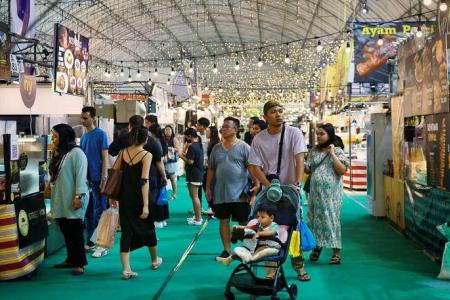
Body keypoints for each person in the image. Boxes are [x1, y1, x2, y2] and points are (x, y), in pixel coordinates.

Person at [248, 100, 310, 282]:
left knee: (294, 228)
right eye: (274, 111)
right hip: (271, 192)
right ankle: (270, 272)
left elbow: (300, 159)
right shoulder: (259, 139)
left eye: (281, 110)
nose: (279, 114)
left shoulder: (294, 133)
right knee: (269, 227)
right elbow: (253, 166)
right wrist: (268, 186)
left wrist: (296, 185)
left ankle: (299, 268)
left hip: (291, 191)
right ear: (265, 116)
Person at [109, 126, 162, 280]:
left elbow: (114, 172)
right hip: (140, 198)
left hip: (125, 198)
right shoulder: (147, 154)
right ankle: (154, 260)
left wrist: (112, 196)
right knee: (149, 229)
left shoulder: (123, 152)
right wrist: (145, 205)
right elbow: (144, 181)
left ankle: (126, 269)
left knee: (126, 232)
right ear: (146, 139)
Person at [206, 117, 252, 260]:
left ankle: (245, 249)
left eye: (227, 127)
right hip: (221, 192)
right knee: (224, 221)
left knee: (243, 222)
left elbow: (251, 167)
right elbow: (211, 169)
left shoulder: (244, 147)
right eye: (223, 127)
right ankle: (226, 250)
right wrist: (208, 187)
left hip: (240, 193)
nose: (223, 129)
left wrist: (255, 185)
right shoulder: (216, 148)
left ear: (235, 130)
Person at [109, 115, 167, 228]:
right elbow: (159, 161)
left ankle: (123, 227)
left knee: (127, 207)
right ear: (143, 125)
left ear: (130, 125)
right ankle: (148, 229)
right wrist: (163, 175)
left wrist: (110, 192)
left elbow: (112, 152)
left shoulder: (124, 139)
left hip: (127, 180)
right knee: (147, 205)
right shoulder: (151, 142)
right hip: (149, 178)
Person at [49, 124, 89, 276]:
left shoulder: (76, 153)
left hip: (74, 197)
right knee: (66, 230)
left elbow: (81, 175)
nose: (53, 139)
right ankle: (71, 259)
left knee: (75, 231)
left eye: (55, 136)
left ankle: (79, 263)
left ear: (64, 136)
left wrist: (78, 196)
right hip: (61, 197)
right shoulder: (59, 153)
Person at [306, 123, 348, 265]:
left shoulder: (338, 151)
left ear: (330, 134)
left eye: (322, 134)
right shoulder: (313, 151)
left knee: (331, 220)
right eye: (317, 134)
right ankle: (317, 247)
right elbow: (307, 170)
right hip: (315, 193)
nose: (318, 136)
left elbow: (342, 170)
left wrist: (332, 154)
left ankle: (336, 252)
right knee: (315, 219)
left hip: (331, 195)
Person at [80, 106, 110, 258]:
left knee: (101, 211)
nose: (83, 120)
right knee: (89, 212)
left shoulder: (101, 135)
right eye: (82, 117)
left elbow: (105, 157)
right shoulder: (84, 137)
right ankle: (91, 241)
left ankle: (102, 245)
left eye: (85, 118)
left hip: (99, 179)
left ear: (93, 118)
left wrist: (104, 178)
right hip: (87, 180)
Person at [216, 203, 281, 266]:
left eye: (262, 217)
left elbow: (271, 232)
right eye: (258, 217)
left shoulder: (274, 225)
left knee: (259, 252)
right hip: (259, 246)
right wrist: (239, 227)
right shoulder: (259, 225)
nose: (259, 219)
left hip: (271, 247)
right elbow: (249, 227)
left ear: (271, 218)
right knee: (243, 250)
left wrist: (259, 233)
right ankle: (227, 260)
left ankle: (251, 259)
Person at [178, 128, 204, 225]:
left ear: (189, 136)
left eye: (186, 136)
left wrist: (180, 156)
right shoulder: (199, 144)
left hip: (194, 174)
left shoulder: (193, 146)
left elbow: (190, 161)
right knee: (194, 196)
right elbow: (191, 157)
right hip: (197, 173)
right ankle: (197, 216)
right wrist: (184, 152)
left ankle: (198, 219)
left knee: (194, 197)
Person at [149, 124, 169, 228]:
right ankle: (163, 218)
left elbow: (159, 161)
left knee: (156, 197)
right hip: (160, 172)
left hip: (157, 173)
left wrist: (163, 175)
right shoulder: (162, 141)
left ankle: (158, 219)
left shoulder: (154, 142)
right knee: (161, 196)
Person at [196, 117, 211, 214]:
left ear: (203, 126)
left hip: (207, 165)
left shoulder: (209, 137)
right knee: (197, 187)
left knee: (207, 186)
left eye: (198, 124)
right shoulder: (196, 136)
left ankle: (211, 206)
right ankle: (198, 207)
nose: (196, 126)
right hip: (197, 164)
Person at [163, 125, 181, 200]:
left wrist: (171, 149)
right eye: (166, 130)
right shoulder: (163, 139)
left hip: (171, 161)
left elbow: (178, 150)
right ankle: (164, 194)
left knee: (172, 178)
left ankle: (174, 193)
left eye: (169, 130)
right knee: (163, 177)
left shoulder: (174, 139)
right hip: (163, 161)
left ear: (172, 131)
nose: (168, 131)